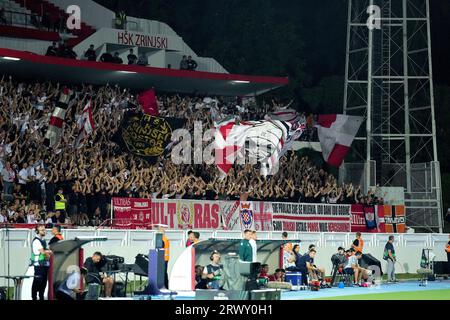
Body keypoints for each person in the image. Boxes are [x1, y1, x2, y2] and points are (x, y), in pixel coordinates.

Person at [30, 225, 52, 300]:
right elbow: (43, 252)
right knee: (37, 281)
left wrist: (47, 252)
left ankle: (41, 296)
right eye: (42, 230)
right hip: (39, 265)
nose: (44, 231)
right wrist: (49, 252)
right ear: (37, 231)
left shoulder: (43, 240)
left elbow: (46, 252)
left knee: (44, 282)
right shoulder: (36, 241)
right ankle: (34, 297)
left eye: (44, 230)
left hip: (45, 264)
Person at [157, 224, 170, 289]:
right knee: (164, 273)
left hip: (163, 258)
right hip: (165, 258)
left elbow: (160, 249)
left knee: (163, 273)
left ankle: (164, 287)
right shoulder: (165, 238)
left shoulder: (161, 239)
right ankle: (166, 286)